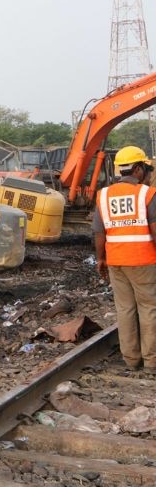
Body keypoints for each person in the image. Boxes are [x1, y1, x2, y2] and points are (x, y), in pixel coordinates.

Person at [93, 145, 156, 370]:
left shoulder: (104, 195)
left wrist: (101, 259)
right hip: (144, 260)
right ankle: (151, 362)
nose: (148, 175)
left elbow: (99, 232)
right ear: (137, 169)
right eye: (147, 170)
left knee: (125, 309)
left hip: (116, 261)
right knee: (149, 308)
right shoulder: (146, 194)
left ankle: (131, 360)